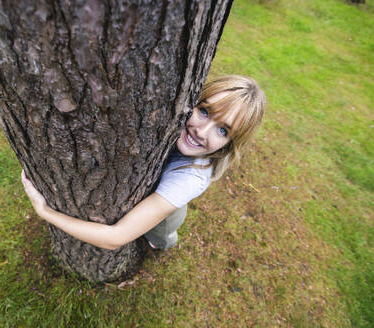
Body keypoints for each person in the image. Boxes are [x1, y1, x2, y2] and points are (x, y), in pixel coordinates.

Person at [21, 75, 266, 251]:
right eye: (204, 111)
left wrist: (46, 212)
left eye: (222, 131)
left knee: (157, 237)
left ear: (230, 145)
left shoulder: (190, 178)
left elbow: (114, 238)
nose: (202, 131)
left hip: (165, 217)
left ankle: (165, 243)